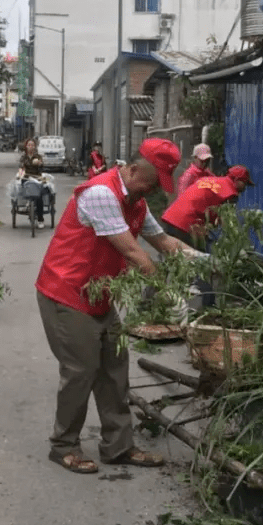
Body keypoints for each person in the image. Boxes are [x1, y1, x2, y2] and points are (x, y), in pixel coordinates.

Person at [35, 138, 199, 474]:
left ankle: (118, 446)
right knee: (81, 370)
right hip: (67, 292)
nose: (150, 191)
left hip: (100, 295)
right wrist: (169, 295)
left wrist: (205, 261)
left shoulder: (136, 202)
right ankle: (63, 445)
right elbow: (133, 253)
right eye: (150, 183)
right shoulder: (101, 194)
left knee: (114, 367)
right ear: (134, 169)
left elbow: (164, 242)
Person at [161, 165, 254, 248]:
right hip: (185, 223)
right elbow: (227, 222)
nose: (245, 188)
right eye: (244, 183)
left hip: (170, 217)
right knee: (194, 257)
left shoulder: (210, 179)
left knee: (173, 257)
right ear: (237, 180)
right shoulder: (230, 192)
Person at [18, 137, 47, 229]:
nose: (31, 147)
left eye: (32, 145)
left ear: (35, 147)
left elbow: (42, 168)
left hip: (37, 177)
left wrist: (39, 164)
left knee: (39, 197)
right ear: (26, 147)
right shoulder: (23, 157)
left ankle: (40, 219)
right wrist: (20, 175)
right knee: (23, 185)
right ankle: (27, 202)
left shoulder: (38, 157)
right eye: (29, 145)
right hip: (27, 177)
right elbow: (21, 168)